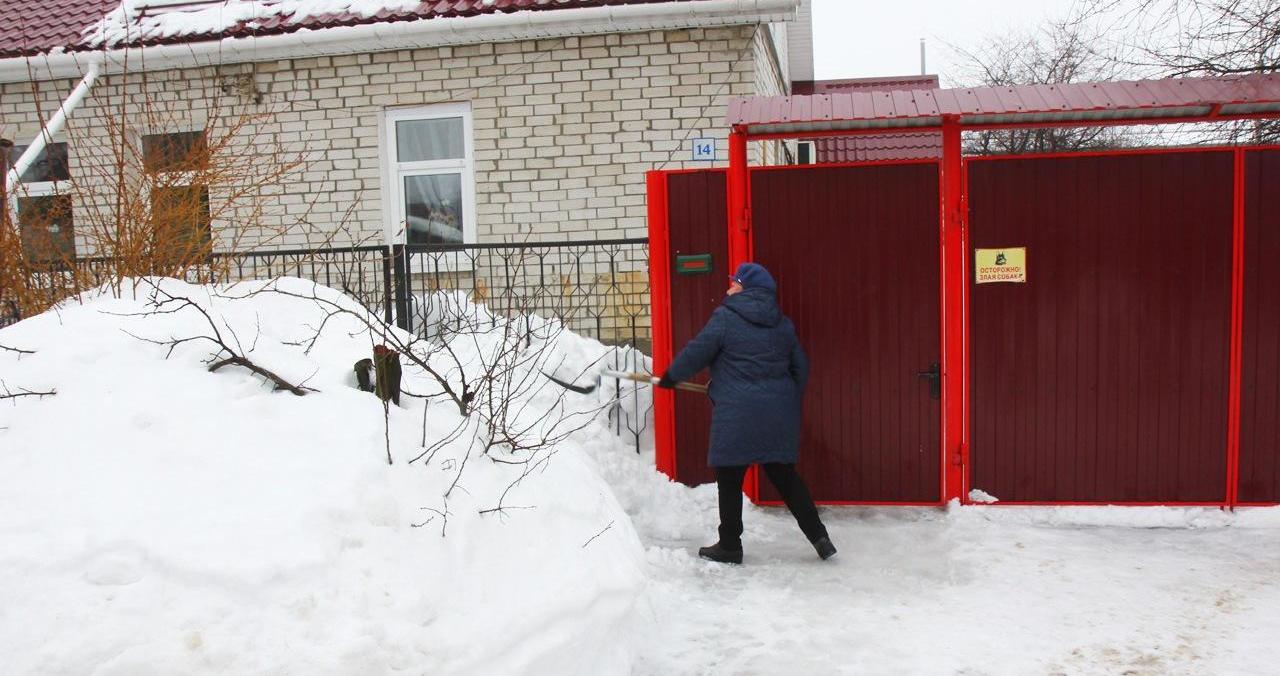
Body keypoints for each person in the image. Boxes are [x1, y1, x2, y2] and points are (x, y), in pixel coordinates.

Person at [658, 262, 836, 564]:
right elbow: (800, 367)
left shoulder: (726, 318)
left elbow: (697, 352)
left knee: (729, 477)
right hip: (778, 412)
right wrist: (786, 395)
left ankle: (729, 545)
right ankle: (819, 537)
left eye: (734, 282)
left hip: (737, 413)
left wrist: (671, 376)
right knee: (784, 476)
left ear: (745, 288)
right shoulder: (782, 324)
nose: (729, 286)